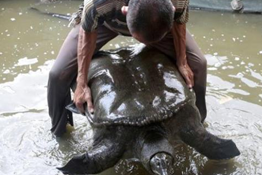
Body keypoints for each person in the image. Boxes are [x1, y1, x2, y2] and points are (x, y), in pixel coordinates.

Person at [47, 0, 207, 137]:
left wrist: (182, 61)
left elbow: (179, 23)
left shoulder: (177, 2)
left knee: (199, 64)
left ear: (171, 9)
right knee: (57, 75)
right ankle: (59, 133)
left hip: (159, 25)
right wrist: (81, 83)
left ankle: (198, 125)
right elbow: (87, 31)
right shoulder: (100, 3)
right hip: (106, 22)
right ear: (125, 10)